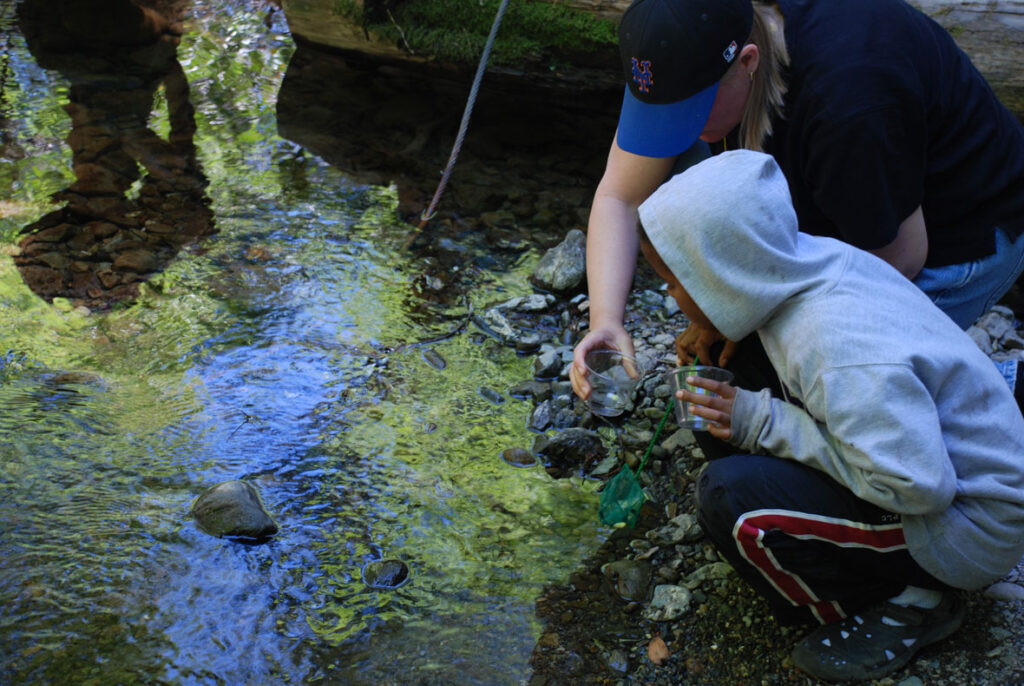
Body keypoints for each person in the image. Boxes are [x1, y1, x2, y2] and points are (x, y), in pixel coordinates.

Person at [636, 149, 1024, 682]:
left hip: (963, 524)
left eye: (677, 282)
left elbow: (917, 487)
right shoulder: (809, 259)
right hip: (922, 451)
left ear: (721, 272)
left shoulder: (835, 347)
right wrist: (721, 320)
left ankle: (903, 600)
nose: (670, 294)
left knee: (731, 499)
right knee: (726, 365)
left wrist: (763, 422)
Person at [569, 0, 1024, 410]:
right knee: (751, 367)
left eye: (690, 112)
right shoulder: (692, 41)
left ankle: (994, 394)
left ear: (747, 61)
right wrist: (606, 320)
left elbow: (896, 264)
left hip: (958, 236)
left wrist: (732, 312)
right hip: (852, 181)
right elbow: (620, 195)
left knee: (811, 390)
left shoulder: (847, 103)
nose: (678, 133)